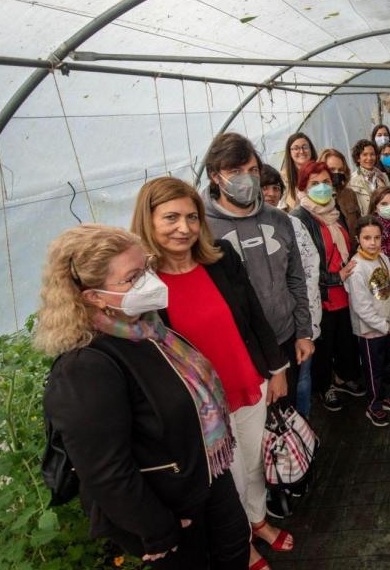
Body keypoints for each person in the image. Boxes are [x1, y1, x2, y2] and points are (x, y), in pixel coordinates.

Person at [38, 224, 250, 570]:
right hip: (172, 506)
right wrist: (156, 529)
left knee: (234, 549)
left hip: (206, 474)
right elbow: (105, 470)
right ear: (94, 296)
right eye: (133, 277)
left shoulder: (150, 330)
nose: (150, 281)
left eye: (147, 268)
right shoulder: (86, 367)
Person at [130, 177, 295, 569]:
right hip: (204, 407)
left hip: (248, 381)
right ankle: (244, 542)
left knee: (255, 463)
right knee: (227, 478)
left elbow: (254, 314)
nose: (183, 227)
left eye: (191, 217)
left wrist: (277, 369)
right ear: (148, 221)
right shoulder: (144, 287)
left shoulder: (220, 256)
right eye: (170, 217)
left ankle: (258, 520)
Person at [201, 133, 314, 406]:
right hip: (239, 350)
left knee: (287, 418)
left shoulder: (278, 220)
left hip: (286, 336)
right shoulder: (202, 228)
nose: (247, 178)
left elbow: (296, 278)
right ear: (216, 176)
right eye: (235, 171)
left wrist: (303, 332)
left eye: (253, 170)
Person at [289, 160, 365, 412]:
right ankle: (325, 386)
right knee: (324, 346)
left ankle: (343, 377)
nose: (321, 188)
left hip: (343, 291)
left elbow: (346, 245)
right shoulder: (299, 219)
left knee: (344, 338)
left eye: (325, 183)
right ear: (303, 187)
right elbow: (303, 267)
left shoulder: (334, 211)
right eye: (314, 184)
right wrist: (336, 277)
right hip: (320, 295)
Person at [261, 164, 322, 418]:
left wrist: (303, 323)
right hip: (265, 327)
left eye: (276, 187)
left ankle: (302, 428)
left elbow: (308, 271)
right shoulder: (243, 231)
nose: (271, 193)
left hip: (298, 319)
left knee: (301, 377)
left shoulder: (292, 224)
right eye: (264, 187)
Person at [343, 216, 390, 427]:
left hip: (387, 326)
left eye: (376, 237)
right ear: (358, 239)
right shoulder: (356, 269)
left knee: (386, 366)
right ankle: (373, 405)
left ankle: (385, 397)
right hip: (370, 331)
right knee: (373, 370)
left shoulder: (382, 257)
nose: (373, 242)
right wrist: (386, 326)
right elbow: (362, 308)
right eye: (367, 238)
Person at [319, 148, 360, 231]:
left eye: (340, 170)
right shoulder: (315, 196)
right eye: (332, 169)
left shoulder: (349, 194)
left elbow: (359, 223)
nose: (336, 173)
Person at [347, 139, 390, 216]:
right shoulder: (352, 181)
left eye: (372, 154)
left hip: (384, 222)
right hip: (365, 224)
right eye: (365, 154)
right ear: (358, 158)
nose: (369, 158)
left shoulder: (383, 177)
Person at [280, 133, 317, 210]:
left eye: (305, 147)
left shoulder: (321, 172)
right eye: (296, 148)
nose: (301, 151)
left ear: (311, 149)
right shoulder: (283, 177)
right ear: (289, 152)